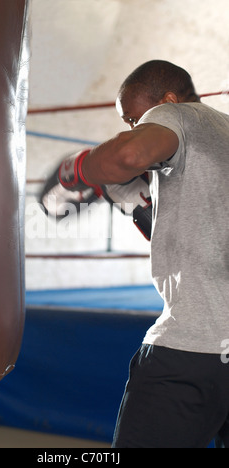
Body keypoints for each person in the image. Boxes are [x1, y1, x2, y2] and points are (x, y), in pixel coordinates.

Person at [56, 60, 229, 448]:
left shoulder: (178, 115)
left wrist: (80, 168)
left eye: (135, 119)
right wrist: (147, 208)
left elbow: (130, 156)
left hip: (193, 349)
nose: (134, 128)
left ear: (168, 101)